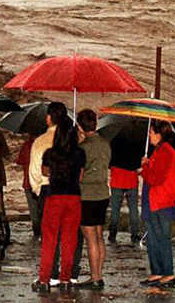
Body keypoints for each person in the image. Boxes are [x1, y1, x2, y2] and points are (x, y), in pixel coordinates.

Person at [33, 118, 86, 294]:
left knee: (50, 240)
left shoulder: (50, 154)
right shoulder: (80, 154)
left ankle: (44, 279)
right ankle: (65, 279)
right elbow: (80, 177)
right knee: (69, 240)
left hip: (54, 198)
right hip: (73, 198)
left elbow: (44, 172)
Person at [139, 120, 175, 288]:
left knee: (161, 238)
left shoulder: (165, 152)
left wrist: (144, 168)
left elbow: (156, 179)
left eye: (151, 132)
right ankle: (157, 271)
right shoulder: (160, 151)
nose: (149, 136)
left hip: (161, 201)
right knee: (153, 238)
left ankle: (168, 272)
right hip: (156, 200)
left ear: (159, 134)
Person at [75, 109, 110, 290]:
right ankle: (99, 273)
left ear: (80, 126)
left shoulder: (82, 148)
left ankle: (95, 277)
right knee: (99, 236)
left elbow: (79, 175)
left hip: (87, 195)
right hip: (103, 193)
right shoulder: (105, 144)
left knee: (90, 240)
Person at [108, 134, 141, 243]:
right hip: (131, 180)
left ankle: (112, 233)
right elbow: (138, 164)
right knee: (133, 209)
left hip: (117, 179)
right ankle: (135, 233)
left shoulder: (114, 141)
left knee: (115, 209)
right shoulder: (136, 142)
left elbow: (109, 162)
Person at [15, 133, 41, 239]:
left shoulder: (26, 146)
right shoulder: (45, 143)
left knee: (33, 207)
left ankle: (36, 229)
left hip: (28, 182)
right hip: (43, 182)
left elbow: (20, 161)